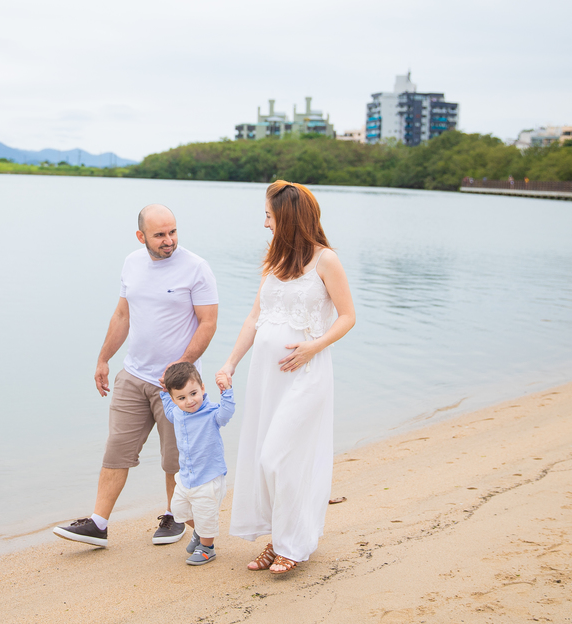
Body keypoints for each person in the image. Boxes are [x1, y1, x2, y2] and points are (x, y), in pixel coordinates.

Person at [54, 204, 219, 548]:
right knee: (116, 450)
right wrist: (103, 359)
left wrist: (180, 368)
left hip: (177, 387)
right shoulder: (131, 263)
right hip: (133, 376)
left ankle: (175, 517)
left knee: (175, 458)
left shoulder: (196, 268)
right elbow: (122, 315)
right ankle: (98, 524)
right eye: (159, 235)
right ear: (141, 236)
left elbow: (208, 322)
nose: (169, 240)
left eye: (173, 232)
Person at [215, 181, 356, 575]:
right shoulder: (274, 262)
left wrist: (314, 346)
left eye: (269, 216)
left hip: (306, 373)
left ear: (289, 218)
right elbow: (254, 318)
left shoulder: (326, 260)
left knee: (278, 455)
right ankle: (280, 539)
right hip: (267, 378)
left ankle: (293, 543)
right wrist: (230, 363)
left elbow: (348, 316)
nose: (265, 224)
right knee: (267, 457)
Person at [158, 362, 235, 566]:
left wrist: (226, 390)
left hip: (208, 478)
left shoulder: (211, 413)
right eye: (181, 398)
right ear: (174, 399)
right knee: (178, 510)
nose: (190, 401)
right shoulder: (177, 413)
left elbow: (227, 413)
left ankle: (207, 548)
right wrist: (164, 392)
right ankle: (199, 533)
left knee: (206, 515)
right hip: (186, 477)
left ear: (202, 388)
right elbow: (168, 411)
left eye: (193, 393)